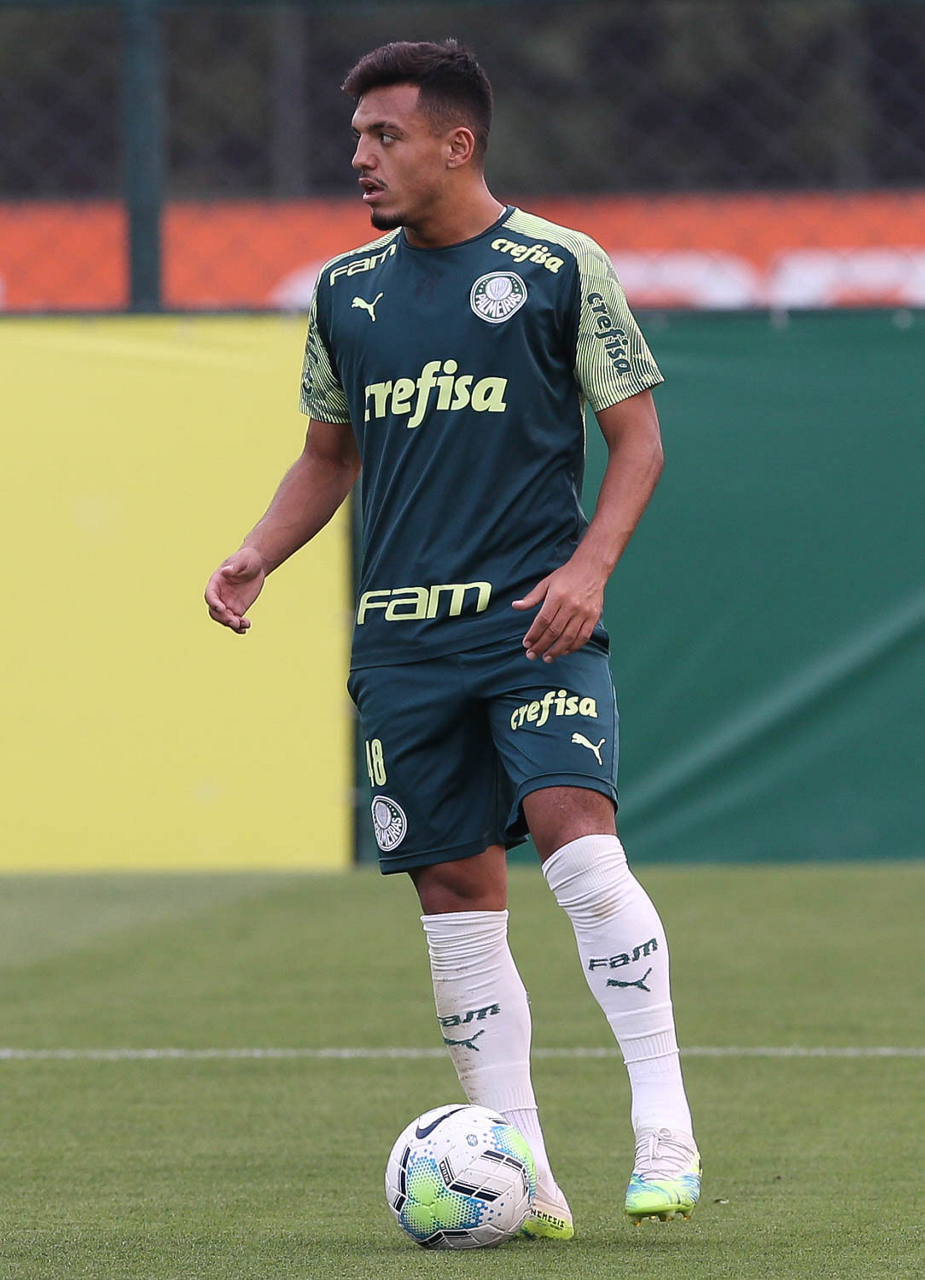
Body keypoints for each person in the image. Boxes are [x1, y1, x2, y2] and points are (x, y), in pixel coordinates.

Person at [205, 39, 700, 1237]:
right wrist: (260, 550)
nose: (360, 157)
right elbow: (328, 457)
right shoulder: (345, 292)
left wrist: (587, 567)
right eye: (357, 136)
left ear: (456, 143)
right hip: (401, 647)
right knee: (457, 898)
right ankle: (524, 1175)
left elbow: (637, 441)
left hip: (533, 625)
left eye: (384, 136)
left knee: (577, 841)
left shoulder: (557, 266)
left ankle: (665, 1132)